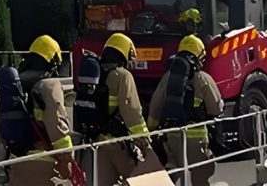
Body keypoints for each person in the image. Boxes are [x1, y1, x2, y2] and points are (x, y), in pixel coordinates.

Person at [147, 36, 223, 186]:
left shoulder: (168, 77)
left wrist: (151, 129)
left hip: (172, 138)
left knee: (174, 175)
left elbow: (155, 106)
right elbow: (216, 109)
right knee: (201, 176)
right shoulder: (203, 78)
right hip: (197, 139)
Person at [2, 35, 75, 186]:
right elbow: (56, 122)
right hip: (44, 161)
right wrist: (66, 158)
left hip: (17, 159)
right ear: (53, 60)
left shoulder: (17, 82)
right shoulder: (49, 85)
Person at [95, 33, 159, 185]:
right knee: (141, 180)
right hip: (118, 143)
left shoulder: (96, 74)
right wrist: (145, 142)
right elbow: (132, 113)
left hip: (98, 143)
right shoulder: (122, 76)